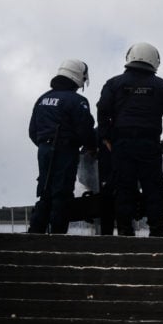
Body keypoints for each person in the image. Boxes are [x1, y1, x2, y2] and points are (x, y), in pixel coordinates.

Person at [97, 42, 163, 237]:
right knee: (153, 189)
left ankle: (125, 233)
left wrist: (106, 137)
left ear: (130, 57)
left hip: (122, 144)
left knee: (123, 188)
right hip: (150, 144)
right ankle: (157, 234)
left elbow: (102, 111)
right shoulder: (161, 85)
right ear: (155, 60)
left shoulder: (113, 83)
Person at [28, 59, 96, 234]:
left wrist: (45, 144)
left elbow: (32, 131)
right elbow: (85, 130)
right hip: (65, 151)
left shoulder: (43, 99)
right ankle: (58, 237)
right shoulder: (77, 101)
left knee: (45, 192)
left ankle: (35, 233)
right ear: (79, 77)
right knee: (62, 194)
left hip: (43, 150)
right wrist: (90, 147)